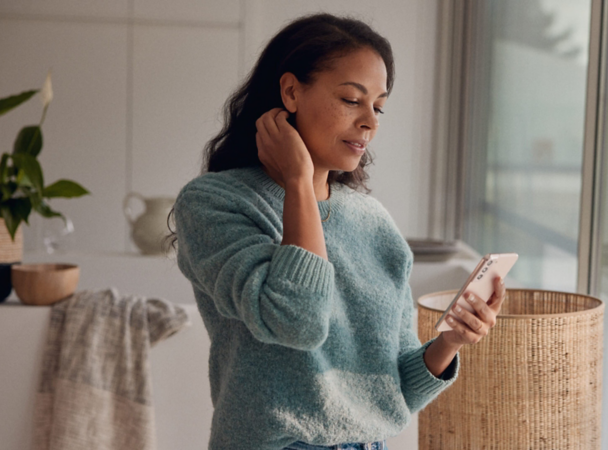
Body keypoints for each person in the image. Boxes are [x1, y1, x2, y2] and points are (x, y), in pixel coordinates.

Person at [167, 12, 506, 450]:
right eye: (352, 99)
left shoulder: (373, 222)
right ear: (290, 91)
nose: (371, 122)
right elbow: (297, 322)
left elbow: (393, 392)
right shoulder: (215, 203)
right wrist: (297, 182)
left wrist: (452, 341)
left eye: (379, 106)